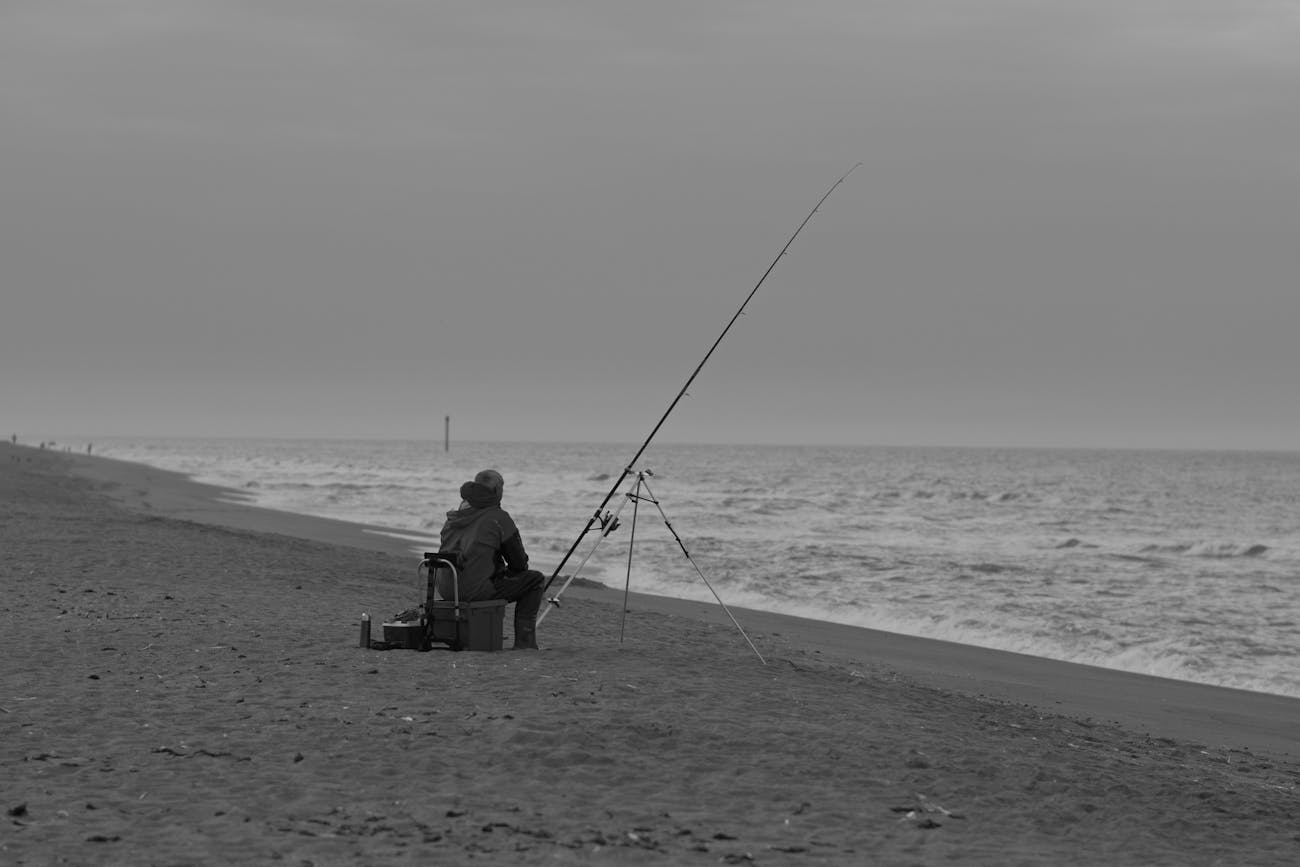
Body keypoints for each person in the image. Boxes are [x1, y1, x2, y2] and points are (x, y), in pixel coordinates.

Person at [437, 469, 545, 650]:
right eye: (502, 488)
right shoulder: (498, 517)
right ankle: (525, 643)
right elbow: (519, 563)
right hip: (475, 590)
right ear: (496, 491)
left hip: (447, 589)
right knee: (535, 580)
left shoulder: (454, 517)